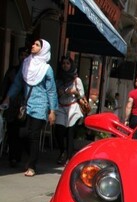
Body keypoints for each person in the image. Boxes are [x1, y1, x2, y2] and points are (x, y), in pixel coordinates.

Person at [1, 39, 58, 177]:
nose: (33, 46)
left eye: (37, 45)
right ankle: (24, 157)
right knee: (22, 132)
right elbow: (18, 83)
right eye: (34, 44)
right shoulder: (26, 64)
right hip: (26, 104)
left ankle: (31, 165)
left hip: (40, 105)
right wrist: (8, 97)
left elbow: (51, 90)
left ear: (43, 49)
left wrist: (52, 111)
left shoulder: (46, 69)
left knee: (34, 135)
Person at [0, 46, 30, 167]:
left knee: (22, 133)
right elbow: (4, 86)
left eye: (25, 55)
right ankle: (13, 157)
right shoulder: (12, 70)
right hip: (12, 105)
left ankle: (19, 156)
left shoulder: (31, 71)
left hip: (24, 105)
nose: (23, 58)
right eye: (21, 55)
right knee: (12, 132)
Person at [54, 56, 85, 165]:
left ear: (71, 65)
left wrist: (74, 92)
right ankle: (62, 151)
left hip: (73, 108)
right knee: (59, 131)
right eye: (63, 63)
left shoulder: (77, 80)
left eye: (67, 63)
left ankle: (69, 157)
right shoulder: (58, 80)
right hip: (61, 107)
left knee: (70, 133)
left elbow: (82, 95)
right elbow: (54, 92)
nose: (65, 65)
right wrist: (59, 93)